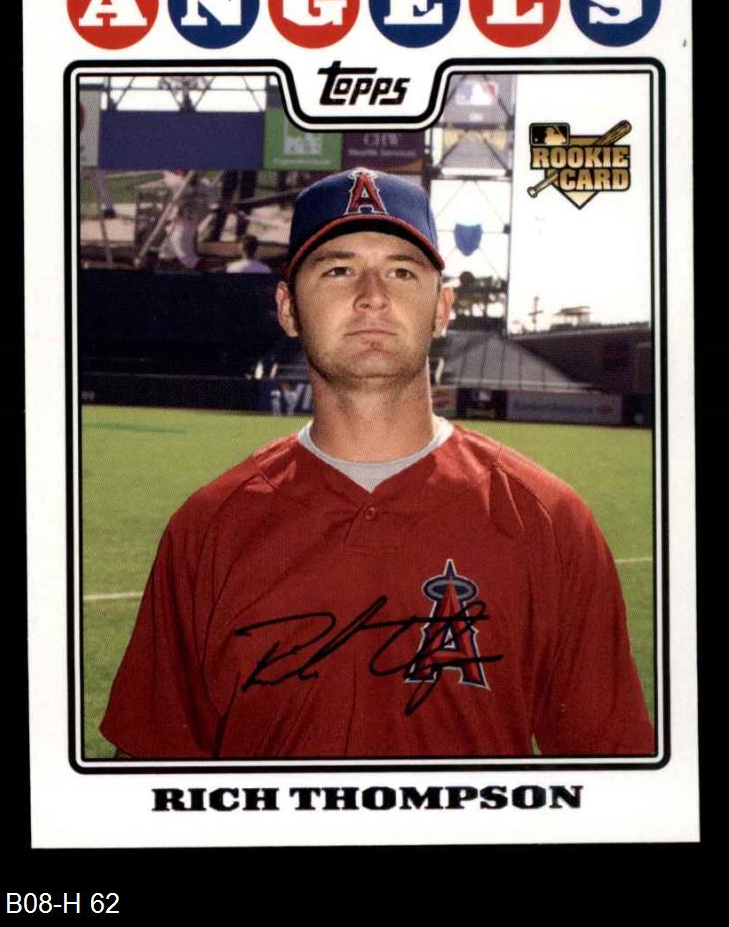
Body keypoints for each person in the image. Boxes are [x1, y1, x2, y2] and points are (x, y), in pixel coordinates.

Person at [101, 168, 653, 759]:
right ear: (288, 309)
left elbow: (610, 777)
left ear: (442, 308)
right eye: (338, 270)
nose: (372, 296)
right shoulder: (208, 527)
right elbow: (146, 778)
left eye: (401, 271)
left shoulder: (550, 520)